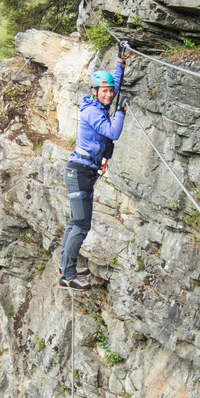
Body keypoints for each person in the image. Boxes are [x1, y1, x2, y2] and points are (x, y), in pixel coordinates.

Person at [58, 43, 129, 291]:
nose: (109, 95)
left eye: (110, 92)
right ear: (94, 90)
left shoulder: (97, 102)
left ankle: (65, 265)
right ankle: (67, 275)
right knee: (80, 225)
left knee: (74, 223)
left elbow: (114, 86)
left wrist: (120, 63)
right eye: (105, 91)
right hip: (79, 172)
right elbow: (113, 132)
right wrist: (120, 112)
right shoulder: (92, 113)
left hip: (82, 172)